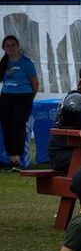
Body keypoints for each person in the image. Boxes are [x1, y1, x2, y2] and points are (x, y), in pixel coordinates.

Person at [0, 35, 38, 170]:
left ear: (18, 46)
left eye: (13, 45)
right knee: (6, 127)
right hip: (6, 97)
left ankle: (17, 160)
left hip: (23, 97)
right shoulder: (3, 63)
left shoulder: (26, 63)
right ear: (4, 48)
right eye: (8, 45)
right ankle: (11, 160)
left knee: (17, 126)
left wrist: (29, 98)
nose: (11, 48)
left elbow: (35, 83)